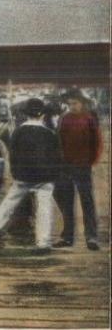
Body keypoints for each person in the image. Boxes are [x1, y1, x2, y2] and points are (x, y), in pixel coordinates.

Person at [0, 98, 62, 252]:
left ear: (26, 114)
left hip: (23, 176)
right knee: (44, 208)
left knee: (9, 202)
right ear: (42, 115)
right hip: (45, 177)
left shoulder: (18, 132)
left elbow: (12, 156)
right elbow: (56, 157)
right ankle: (43, 242)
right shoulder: (50, 134)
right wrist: (53, 175)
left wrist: (16, 173)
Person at [54, 90, 102, 251]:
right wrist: (60, 161)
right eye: (69, 104)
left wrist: (92, 160)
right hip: (65, 165)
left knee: (87, 201)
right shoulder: (64, 119)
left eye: (75, 103)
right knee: (66, 201)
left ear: (81, 103)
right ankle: (67, 237)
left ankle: (91, 237)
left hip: (83, 165)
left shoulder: (89, 119)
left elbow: (97, 141)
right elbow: (58, 140)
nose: (72, 107)